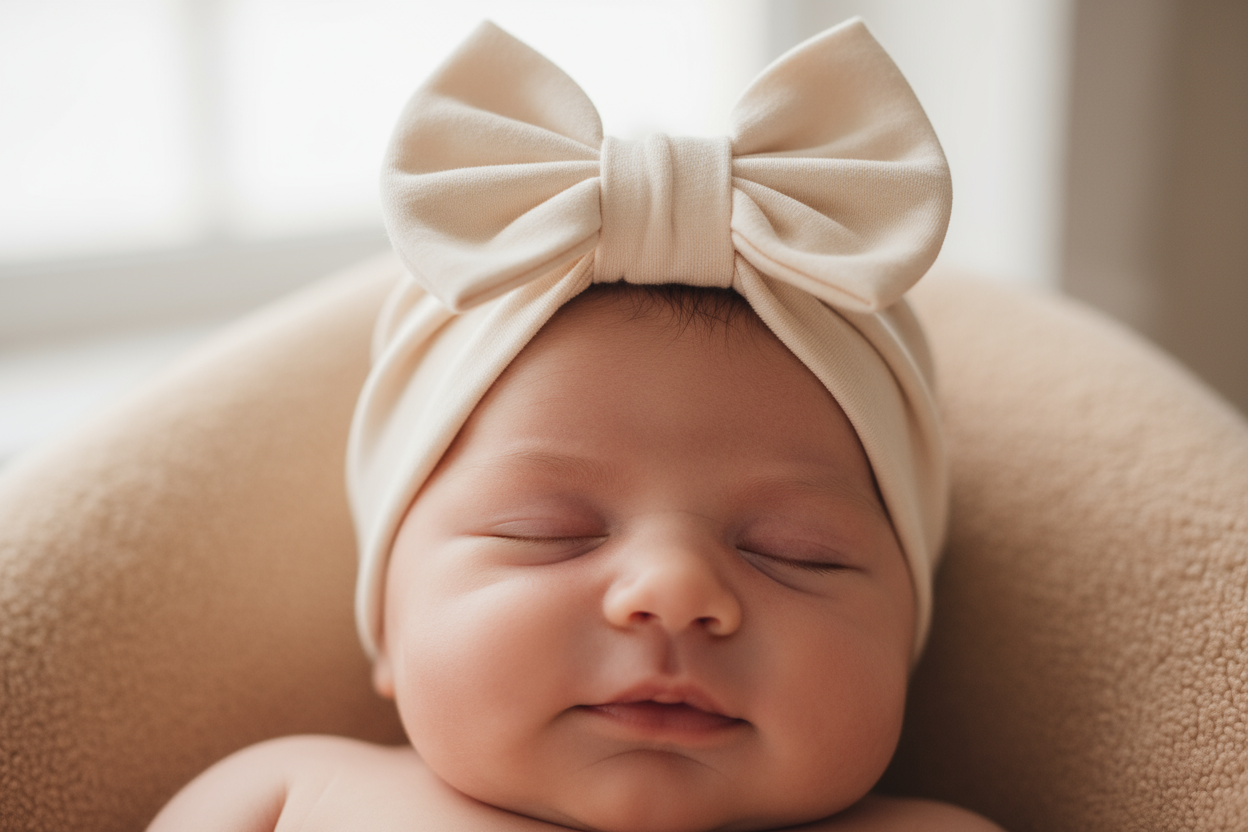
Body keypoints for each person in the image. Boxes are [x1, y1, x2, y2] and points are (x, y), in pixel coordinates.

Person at [148, 18, 1005, 832]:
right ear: (388, 622)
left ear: (906, 644)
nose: (672, 589)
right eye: (546, 532)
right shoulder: (292, 795)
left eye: (795, 551)